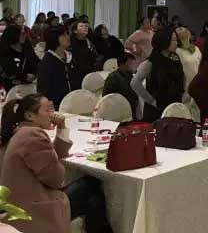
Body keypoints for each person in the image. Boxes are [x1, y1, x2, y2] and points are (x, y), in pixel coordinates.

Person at [0, 94, 112, 233]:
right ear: (30, 116)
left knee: (93, 200)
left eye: (52, 109)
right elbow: (56, 179)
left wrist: (61, 128)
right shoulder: (32, 136)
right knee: (91, 185)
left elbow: (56, 154)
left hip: (17, 207)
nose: (52, 114)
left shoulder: (20, 132)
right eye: (47, 110)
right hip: (33, 211)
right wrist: (55, 159)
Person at [131, 28, 185, 123]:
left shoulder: (176, 58)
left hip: (174, 107)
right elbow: (135, 83)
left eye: (176, 40)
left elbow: (182, 78)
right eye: (173, 40)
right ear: (163, 41)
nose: (176, 43)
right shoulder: (151, 62)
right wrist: (151, 100)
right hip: (156, 111)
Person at [36, 26, 71, 109]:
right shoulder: (47, 61)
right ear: (54, 38)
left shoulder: (70, 56)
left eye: (67, 34)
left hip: (72, 100)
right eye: (64, 35)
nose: (68, 37)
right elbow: (43, 88)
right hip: (56, 104)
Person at [175, 27, 202, 121]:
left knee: (197, 116)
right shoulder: (177, 51)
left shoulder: (197, 49)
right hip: (185, 87)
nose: (184, 29)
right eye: (180, 29)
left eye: (185, 28)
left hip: (198, 85)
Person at [103, 52, 138, 117]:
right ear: (122, 64)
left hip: (129, 110)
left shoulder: (129, 76)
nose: (133, 66)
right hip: (118, 112)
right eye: (130, 63)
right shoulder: (113, 77)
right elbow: (107, 98)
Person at [69, 20, 98, 91]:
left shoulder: (88, 41)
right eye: (81, 26)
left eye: (86, 26)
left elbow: (95, 56)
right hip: (75, 74)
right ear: (75, 31)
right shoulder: (70, 42)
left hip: (88, 71)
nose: (85, 27)